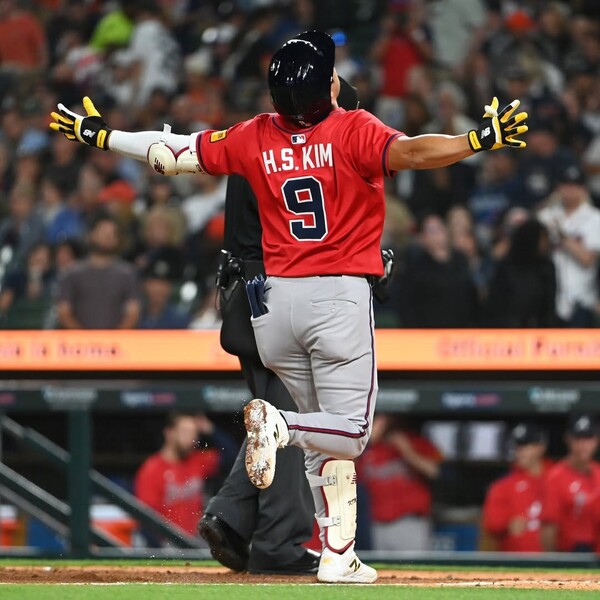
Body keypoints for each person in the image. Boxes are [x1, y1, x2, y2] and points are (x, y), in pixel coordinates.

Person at [49, 30, 528, 583]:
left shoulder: (253, 134)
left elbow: (169, 153)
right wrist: (479, 138)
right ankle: (279, 425)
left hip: (275, 304)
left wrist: (102, 134)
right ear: (327, 88)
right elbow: (416, 151)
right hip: (336, 297)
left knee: (324, 438)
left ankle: (338, 553)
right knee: (350, 431)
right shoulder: (353, 127)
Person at [197, 76, 361, 577]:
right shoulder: (292, 149)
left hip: (246, 296)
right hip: (277, 299)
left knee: (277, 418)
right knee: (297, 417)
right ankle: (277, 543)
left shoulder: (257, 138)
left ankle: (231, 515)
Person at [134, 411, 236, 545]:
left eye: (194, 433)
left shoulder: (197, 460)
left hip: (195, 539)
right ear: (169, 433)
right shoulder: (152, 469)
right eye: (185, 432)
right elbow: (146, 518)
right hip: (166, 542)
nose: (190, 438)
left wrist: (210, 429)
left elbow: (231, 455)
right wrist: (160, 549)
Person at [358, 414, 443, 551]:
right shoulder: (368, 449)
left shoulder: (415, 441)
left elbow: (434, 471)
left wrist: (407, 451)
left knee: (414, 565)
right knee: (381, 565)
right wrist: (366, 443)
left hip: (409, 523)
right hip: (378, 524)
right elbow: (349, 475)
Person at [537, 162, 600, 327]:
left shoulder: (595, 218)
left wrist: (561, 235)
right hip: (548, 298)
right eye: (566, 185)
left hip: (582, 300)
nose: (570, 190)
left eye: (575, 185)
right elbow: (535, 252)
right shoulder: (547, 215)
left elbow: (587, 259)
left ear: (583, 189)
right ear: (558, 187)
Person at [56, 214, 141, 329]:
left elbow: (133, 313)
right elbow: (64, 311)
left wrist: (115, 337)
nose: (108, 236)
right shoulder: (73, 273)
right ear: (92, 235)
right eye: (103, 232)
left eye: (112, 233)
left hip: (117, 339)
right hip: (79, 339)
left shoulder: (127, 274)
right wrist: (84, 336)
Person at [481, 423, 551, 552]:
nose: (520, 452)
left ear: (541, 447)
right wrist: (508, 524)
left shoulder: (557, 479)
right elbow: (492, 524)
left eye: (525, 446)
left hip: (557, 559)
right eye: (517, 447)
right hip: (517, 560)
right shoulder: (502, 487)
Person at [541, 413, 600, 552]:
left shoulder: (598, 473)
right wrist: (553, 561)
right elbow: (549, 527)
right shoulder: (555, 477)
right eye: (578, 438)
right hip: (569, 553)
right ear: (568, 439)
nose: (583, 445)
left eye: (588, 438)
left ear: (596, 440)